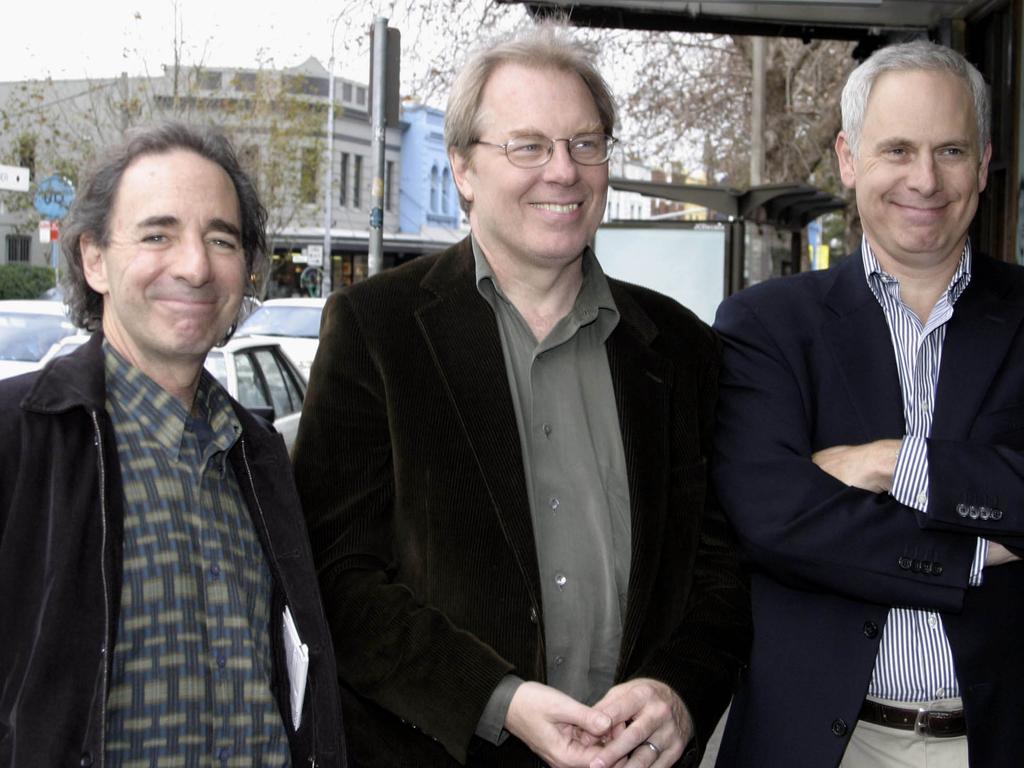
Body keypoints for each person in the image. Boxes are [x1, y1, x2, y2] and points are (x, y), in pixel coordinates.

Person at [293, 24, 750, 768]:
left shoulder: (681, 347)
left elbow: (721, 570)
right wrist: (496, 700)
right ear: (464, 169)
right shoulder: (379, 331)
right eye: (528, 146)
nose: (564, 172)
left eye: (585, 143)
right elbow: (335, 575)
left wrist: (679, 692)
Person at [713, 40, 1024, 768]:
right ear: (850, 160)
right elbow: (777, 520)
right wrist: (979, 548)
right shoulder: (765, 326)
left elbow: (826, 522)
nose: (925, 179)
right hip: (823, 746)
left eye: (950, 150)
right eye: (897, 150)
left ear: (983, 166)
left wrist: (895, 462)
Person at [0, 123, 346, 767]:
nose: (194, 265)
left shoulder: (261, 456)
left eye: (221, 239)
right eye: (158, 234)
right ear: (93, 260)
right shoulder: (20, 440)